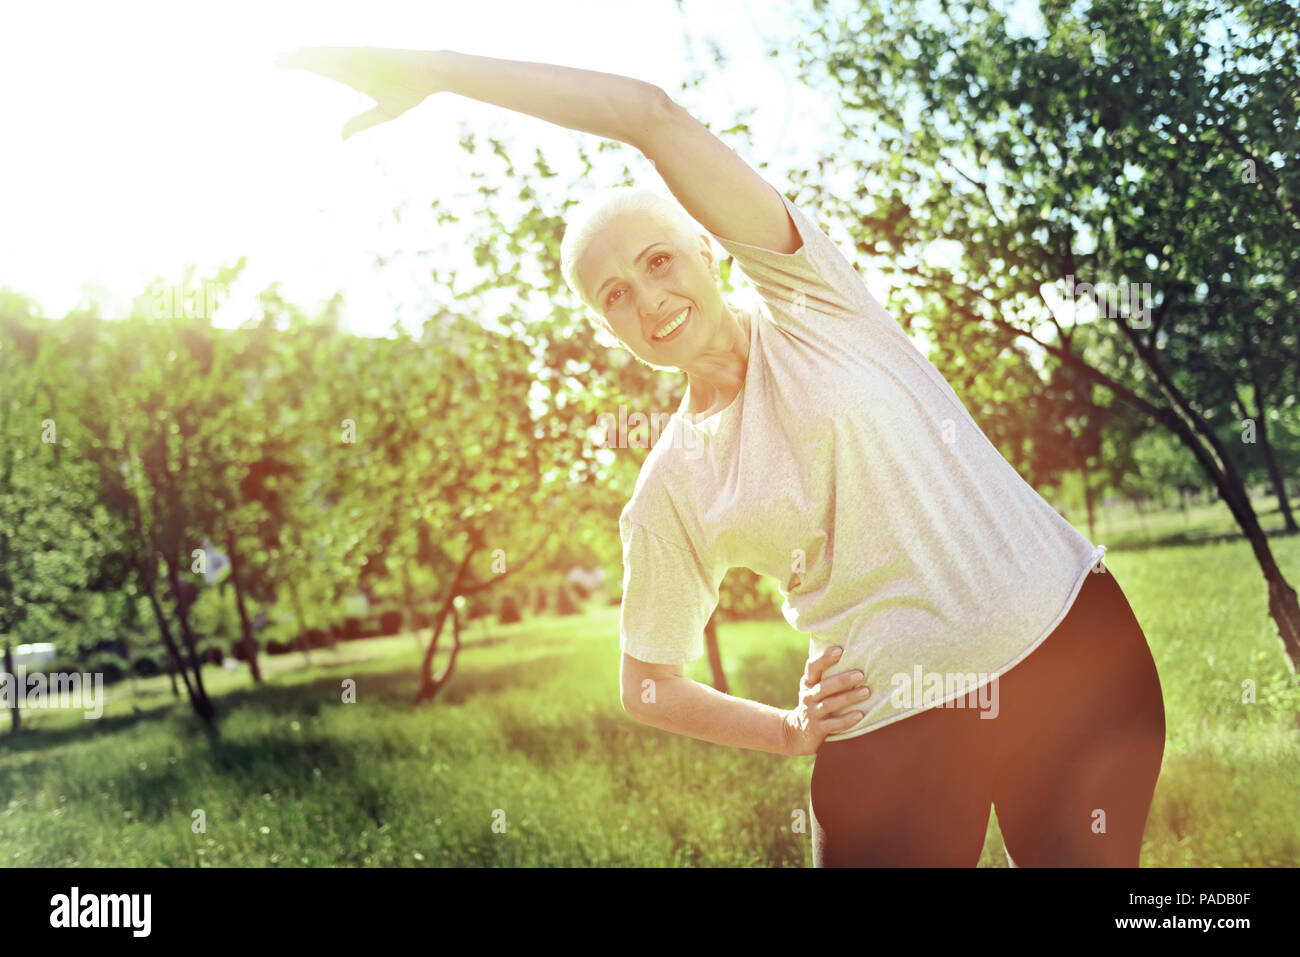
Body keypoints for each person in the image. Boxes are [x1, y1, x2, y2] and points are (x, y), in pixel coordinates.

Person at [276, 46, 1167, 867]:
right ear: (606, 327)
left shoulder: (813, 297)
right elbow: (648, 685)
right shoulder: (671, 485)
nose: (650, 300)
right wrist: (786, 730)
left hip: (1065, 652)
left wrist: (439, 71)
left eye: (660, 260)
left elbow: (650, 113)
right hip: (890, 727)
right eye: (616, 295)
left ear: (706, 246)